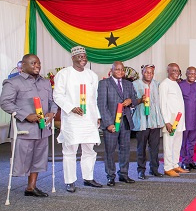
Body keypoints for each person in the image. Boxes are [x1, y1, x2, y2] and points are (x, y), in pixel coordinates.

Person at [0, 54, 57, 197]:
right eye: (33, 63)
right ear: (23, 65)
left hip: (43, 128)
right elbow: (5, 103)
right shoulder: (13, 82)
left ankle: (31, 187)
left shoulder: (45, 82)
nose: (37, 65)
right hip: (25, 129)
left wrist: (52, 113)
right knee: (23, 160)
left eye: (38, 63)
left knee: (39, 158)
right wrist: (26, 115)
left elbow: (53, 101)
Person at [53, 46, 103, 192]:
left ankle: (88, 178)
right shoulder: (64, 74)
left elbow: (94, 99)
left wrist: (97, 115)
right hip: (72, 118)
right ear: (72, 58)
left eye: (84, 56)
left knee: (89, 149)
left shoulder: (92, 75)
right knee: (70, 150)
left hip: (89, 119)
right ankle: (70, 181)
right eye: (79, 56)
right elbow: (57, 96)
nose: (83, 59)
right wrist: (71, 107)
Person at [97, 61, 138, 186]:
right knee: (110, 151)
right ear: (112, 70)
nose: (120, 72)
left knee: (125, 150)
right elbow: (102, 105)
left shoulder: (128, 84)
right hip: (111, 124)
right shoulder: (104, 84)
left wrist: (131, 100)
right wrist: (108, 123)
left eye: (122, 69)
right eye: (117, 69)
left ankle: (124, 174)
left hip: (125, 122)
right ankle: (110, 176)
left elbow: (135, 99)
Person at [132, 64, 164, 179]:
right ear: (142, 73)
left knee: (155, 147)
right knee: (141, 147)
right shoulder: (135, 85)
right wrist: (140, 100)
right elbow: (131, 102)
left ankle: (154, 169)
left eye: (151, 72)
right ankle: (141, 171)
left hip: (155, 121)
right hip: (142, 121)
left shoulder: (157, 84)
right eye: (146, 72)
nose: (149, 74)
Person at [159, 63, 189, 177]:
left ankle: (175, 164)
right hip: (170, 120)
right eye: (174, 70)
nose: (176, 73)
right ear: (168, 71)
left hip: (179, 119)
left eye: (178, 71)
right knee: (169, 144)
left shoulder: (176, 83)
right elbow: (162, 104)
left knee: (177, 143)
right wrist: (166, 121)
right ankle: (167, 167)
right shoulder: (164, 84)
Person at [179, 67, 196, 170]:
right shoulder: (180, 85)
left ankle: (191, 161)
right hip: (184, 119)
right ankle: (184, 161)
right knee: (183, 141)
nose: (192, 75)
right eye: (190, 73)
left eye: (195, 74)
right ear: (186, 74)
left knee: (192, 141)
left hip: (194, 118)